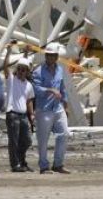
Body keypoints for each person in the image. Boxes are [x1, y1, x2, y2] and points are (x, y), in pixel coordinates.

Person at [32, 42, 70, 174]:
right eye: (49, 55)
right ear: (46, 56)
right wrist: (50, 90)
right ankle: (43, 166)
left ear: (57, 56)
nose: (51, 58)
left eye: (53, 55)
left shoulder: (60, 70)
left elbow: (62, 87)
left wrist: (66, 104)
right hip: (44, 109)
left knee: (64, 134)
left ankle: (58, 164)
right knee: (43, 139)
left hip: (58, 107)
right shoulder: (38, 71)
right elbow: (36, 89)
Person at [3, 42, 35, 172]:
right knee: (14, 141)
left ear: (27, 72)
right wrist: (8, 52)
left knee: (27, 140)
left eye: (24, 70)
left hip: (22, 116)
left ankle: (21, 161)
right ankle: (15, 164)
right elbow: (5, 67)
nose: (21, 72)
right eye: (19, 69)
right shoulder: (12, 79)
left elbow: (29, 101)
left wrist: (31, 114)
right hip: (13, 114)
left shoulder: (28, 85)